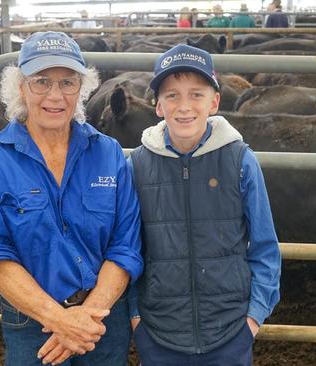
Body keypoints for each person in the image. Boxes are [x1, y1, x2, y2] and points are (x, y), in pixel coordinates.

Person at [0, 31, 143, 366]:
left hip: (101, 319)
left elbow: (125, 246)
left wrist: (85, 318)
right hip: (32, 321)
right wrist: (59, 320)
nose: (56, 95)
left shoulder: (108, 154)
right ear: (20, 87)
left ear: (82, 88)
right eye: (41, 81)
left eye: (67, 82)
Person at [129, 44, 282, 365]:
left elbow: (265, 245)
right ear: (157, 105)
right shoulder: (138, 164)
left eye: (196, 94)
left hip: (229, 330)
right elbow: (128, 247)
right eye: (172, 95)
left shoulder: (240, 159)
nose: (184, 106)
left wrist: (253, 316)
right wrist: (135, 317)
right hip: (158, 331)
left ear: (214, 102)